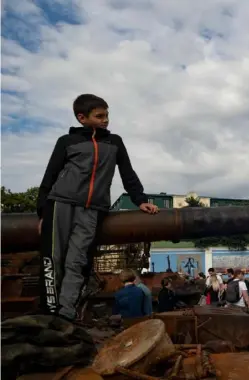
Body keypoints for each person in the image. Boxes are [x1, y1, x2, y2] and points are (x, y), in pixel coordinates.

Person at [36, 94, 159, 321]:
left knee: (78, 261)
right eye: (99, 116)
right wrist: (42, 212)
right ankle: (49, 314)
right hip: (60, 204)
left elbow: (127, 172)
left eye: (107, 115)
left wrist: (140, 199)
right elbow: (50, 175)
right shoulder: (67, 141)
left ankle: (65, 315)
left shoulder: (114, 142)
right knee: (53, 260)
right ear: (82, 118)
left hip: (93, 209)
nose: (106, 120)